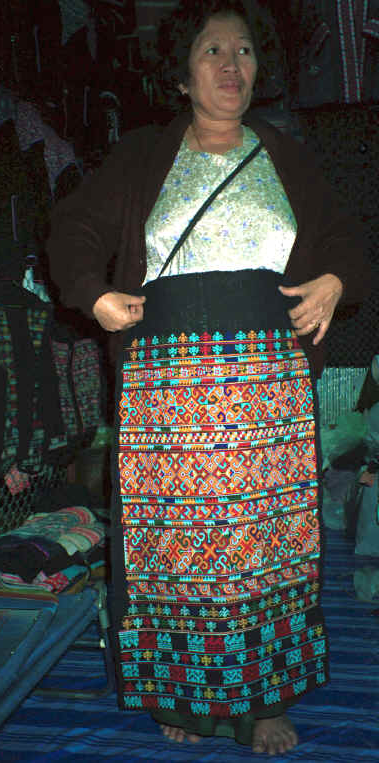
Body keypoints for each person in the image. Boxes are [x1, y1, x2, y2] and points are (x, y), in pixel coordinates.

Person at [47, 0, 369, 755]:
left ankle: (264, 702)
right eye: (214, 51)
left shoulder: (288, 157)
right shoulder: (138, 158)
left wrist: (334, 281)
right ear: (184, 73)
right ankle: (185, 700)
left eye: (247, 51)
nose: (233, 67)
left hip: (268, 392)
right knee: (173, 549)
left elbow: (348, 236)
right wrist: (94, 291)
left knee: (267, 547)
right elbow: (73, 229)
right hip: (168, 391)